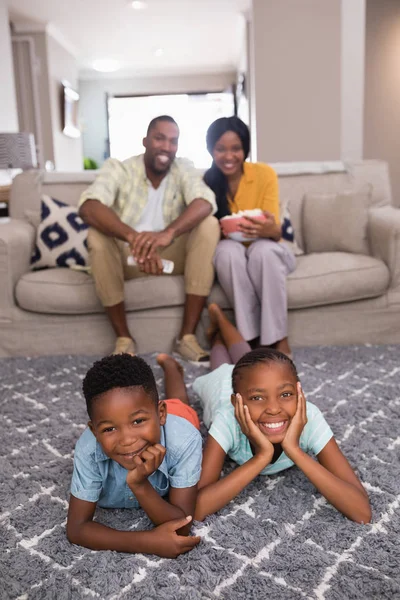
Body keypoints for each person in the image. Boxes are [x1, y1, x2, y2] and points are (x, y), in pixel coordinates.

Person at [159, 304, 371, 524]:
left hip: (252, 379)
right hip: (221, 387)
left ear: (300, 394)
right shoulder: (227, 418)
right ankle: (173, 366)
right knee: (220, 368)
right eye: (258, 399)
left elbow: (362, 512)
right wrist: (262, 457)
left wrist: (296, 451)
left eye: (286, 394)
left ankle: (220, 322)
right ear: (236, 403)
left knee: (254, 362)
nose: (273, 408)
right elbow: (196, 507)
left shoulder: (310, 418)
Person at [79, 115, 220, 362]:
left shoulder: (183, 168)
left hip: (171, 256)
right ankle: (124, 339)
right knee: (96, 235)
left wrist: (168, 234)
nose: (167, 147)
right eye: (159, 138)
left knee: (208, 224)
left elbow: (205, 201)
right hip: (127, 257)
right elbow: (89, 206)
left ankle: (186, 338)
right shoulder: (120, 169)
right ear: (145, 141)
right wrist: (134, 238)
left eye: (173, 141)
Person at [66, 353, 202, 558]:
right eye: (109, 429)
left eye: (138, 421)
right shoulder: (88, 450)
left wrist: (139, 485)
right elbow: (76, 529)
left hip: (179, 418)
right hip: (156, 417)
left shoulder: (185, 440)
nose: (127, 440)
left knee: (180, 402)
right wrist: (147, 541)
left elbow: (182, 526)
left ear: (161, 414)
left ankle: (170, 366)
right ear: (94, 431)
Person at [204, 116, 296, 358]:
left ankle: (279, 338)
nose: (229, 156)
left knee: (261, 251)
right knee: (226, 252)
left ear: (245, 148)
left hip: (268, 247)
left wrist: (265, 229)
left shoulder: (264, 174)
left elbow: (274, 231)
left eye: (236, 148)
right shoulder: (207, 182)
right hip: (231, 249)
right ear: (211, 149)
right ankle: (251, 339)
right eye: (220, 149)